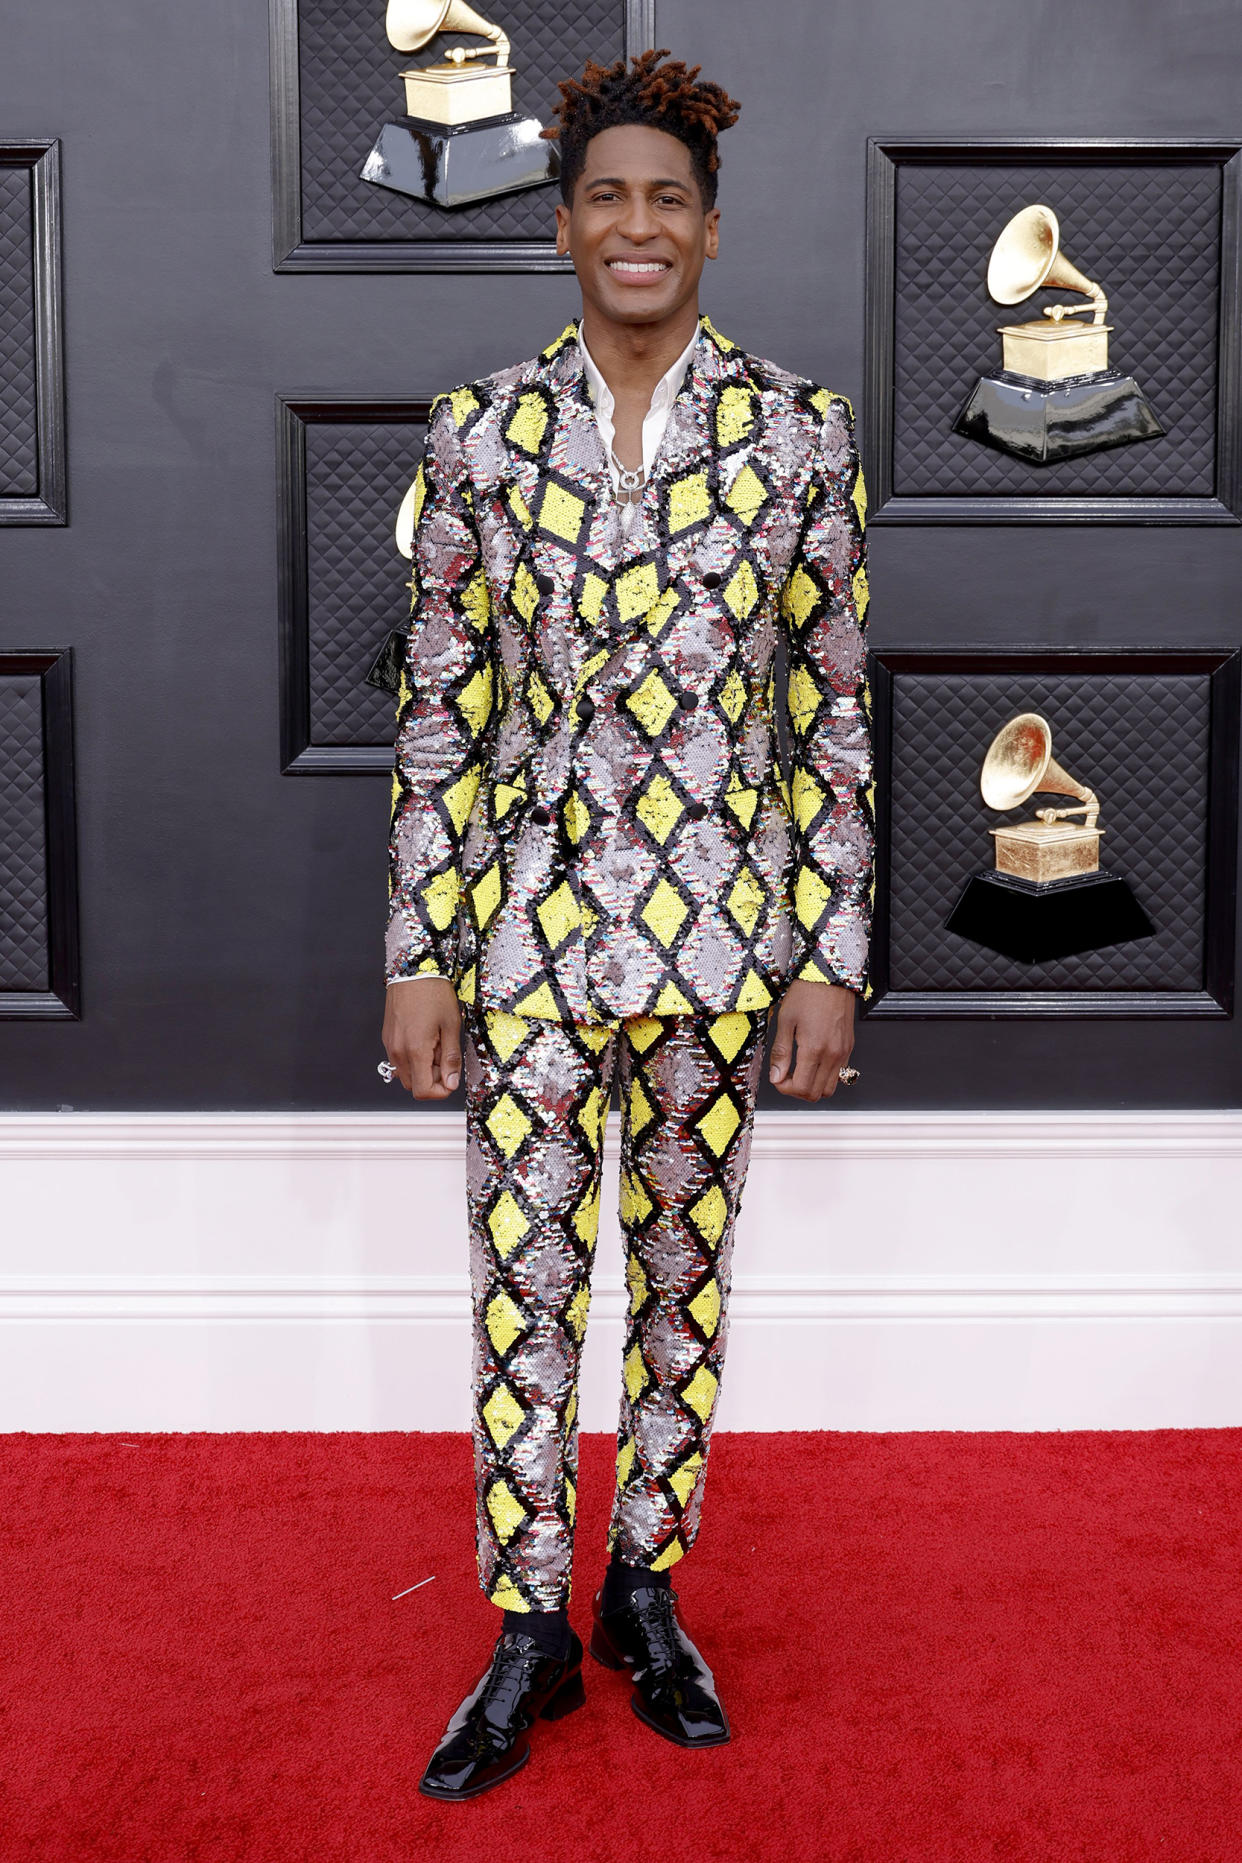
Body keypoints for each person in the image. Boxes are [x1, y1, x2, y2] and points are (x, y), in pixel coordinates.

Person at [380, 47, 873, 1801]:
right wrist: (420, 950)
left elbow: (827, 712)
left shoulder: (803, 432)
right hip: (523, 937)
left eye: (667, 197)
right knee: (521, 1291)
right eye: (605, 195)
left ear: (711, 232)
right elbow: (438, 708)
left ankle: (640, 1594)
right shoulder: (479, 432)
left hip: (731, 944)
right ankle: (526, 1632)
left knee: (678, 1285)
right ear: (565, 226)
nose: (636, 223)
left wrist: (830, 952)